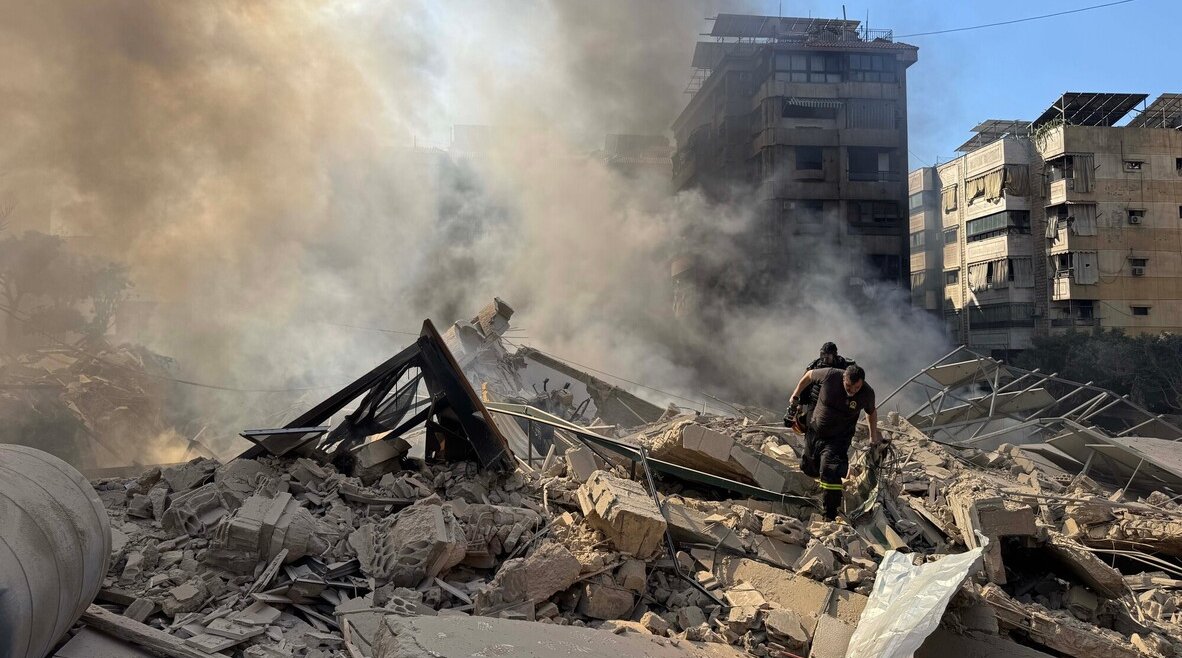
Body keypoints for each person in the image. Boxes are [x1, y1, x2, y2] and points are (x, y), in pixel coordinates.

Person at [786, 364, 884, 521]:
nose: (852, 391)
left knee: (829, 469)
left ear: (862, 383)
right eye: (849, 386)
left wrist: (873, 437)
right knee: (808, 468)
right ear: (844, 377)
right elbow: (809, 375)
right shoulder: (830, 375)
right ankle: (823, 485)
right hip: (815, 432)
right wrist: (795, 396)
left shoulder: (867, 393)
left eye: (856, 388)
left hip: (838, 439)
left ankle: (830, 513)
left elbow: (871, 412)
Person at [787, 342, 854, 430]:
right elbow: (804, 384)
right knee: (810, 425)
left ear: (834, 355)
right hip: (815, 400)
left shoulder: (844, 365)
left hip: (837, 402)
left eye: (828, 356)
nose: (824, 359)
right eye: (822, 355)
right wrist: (800, 403)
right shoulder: (815, 365)